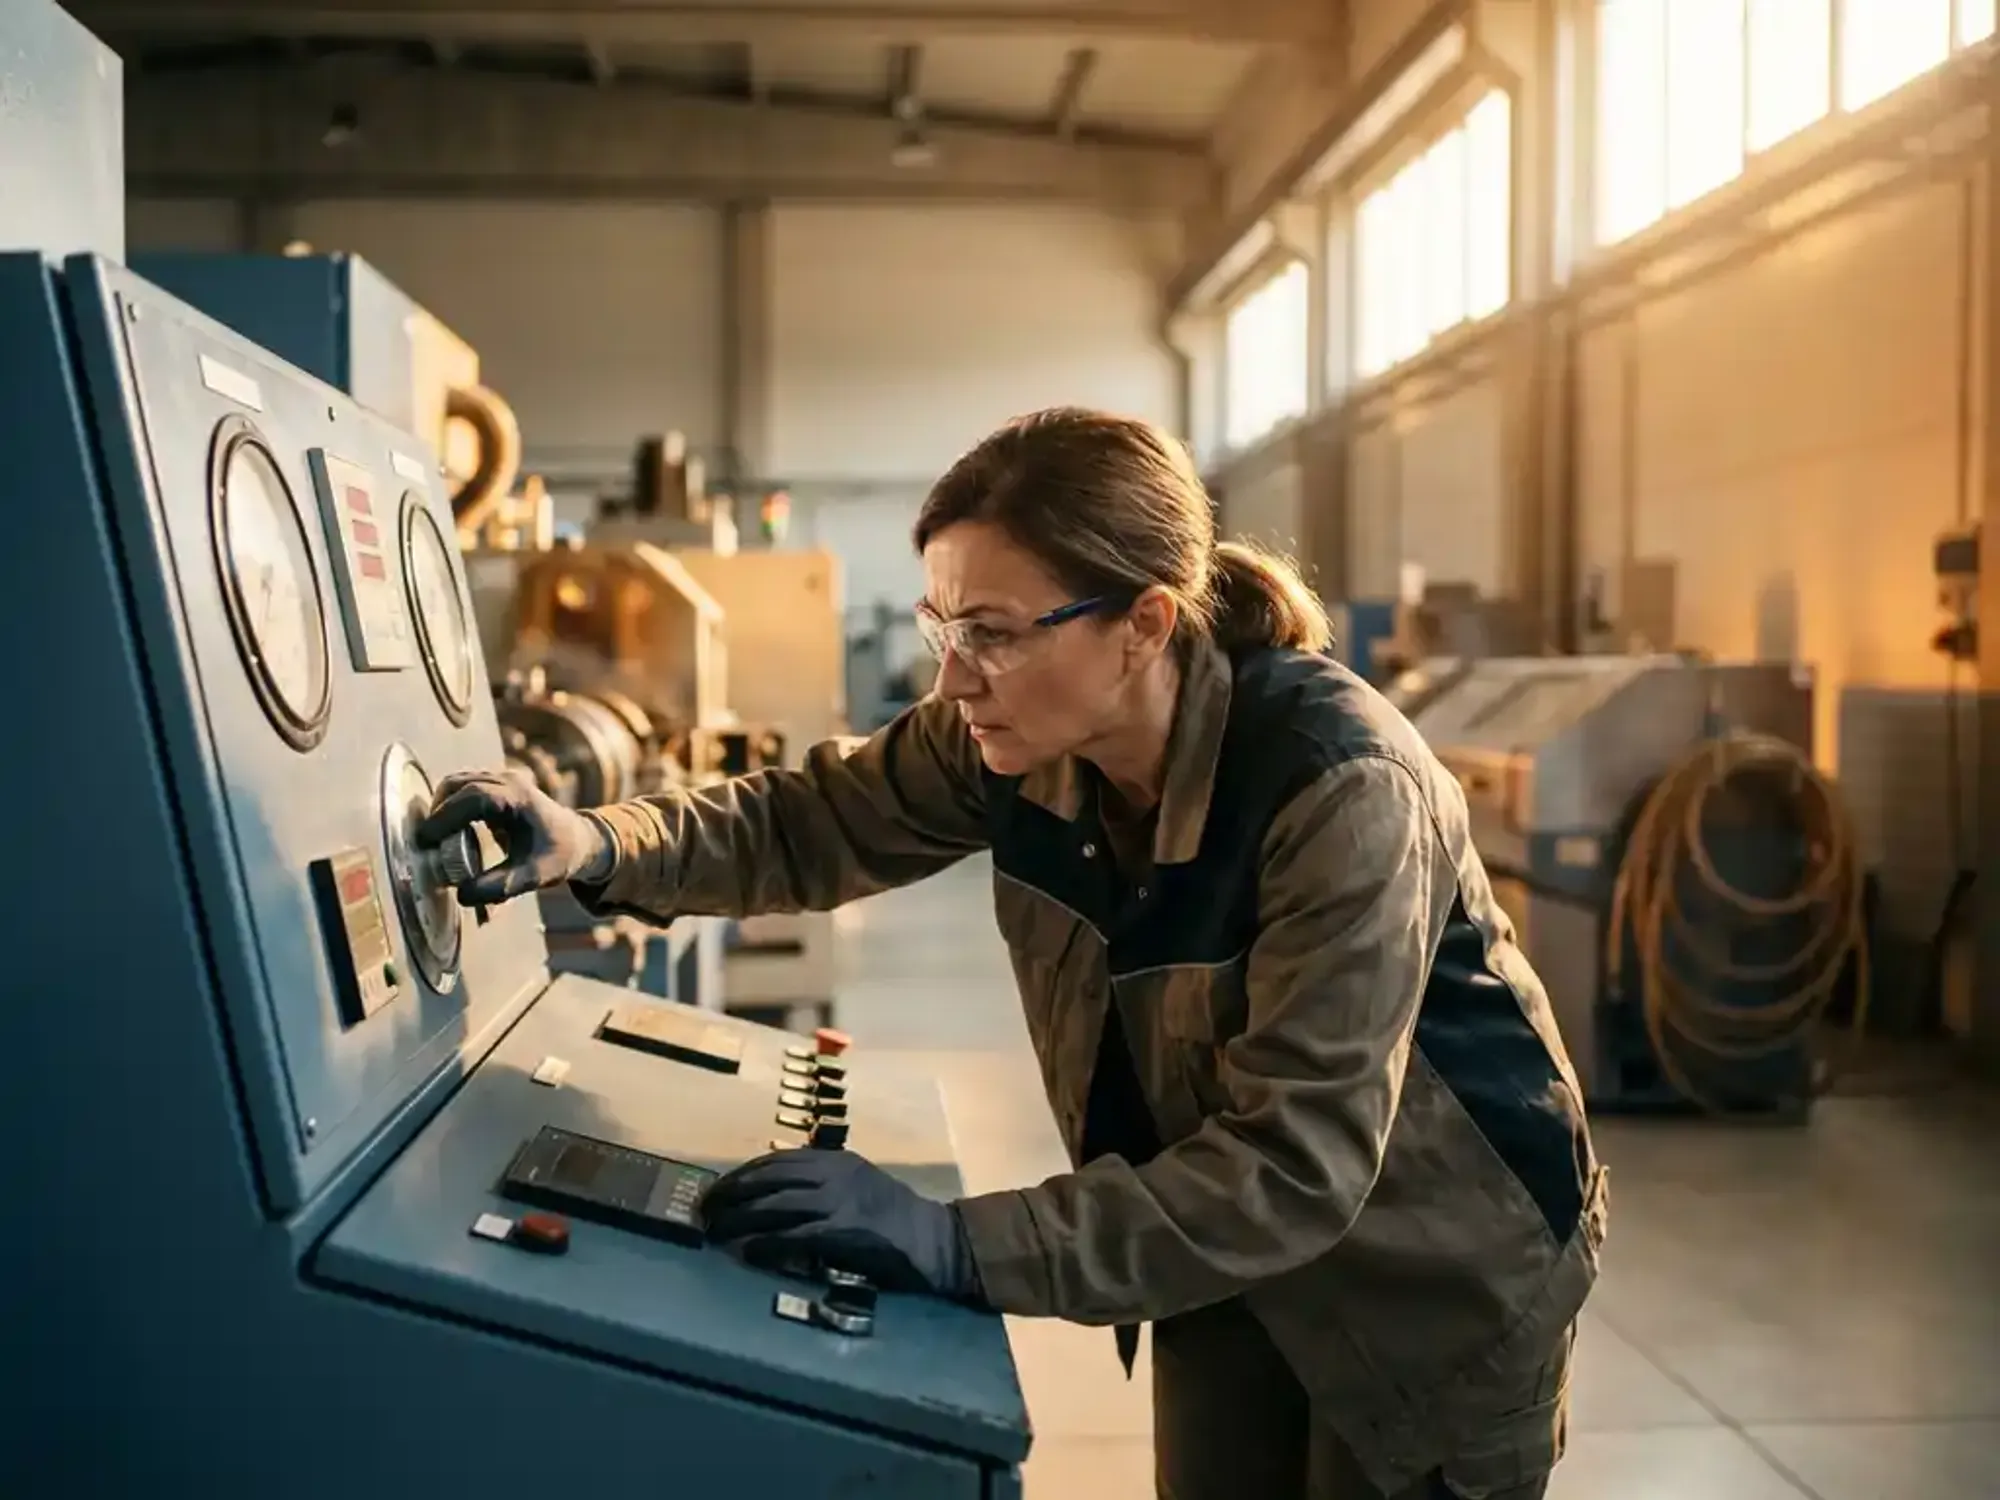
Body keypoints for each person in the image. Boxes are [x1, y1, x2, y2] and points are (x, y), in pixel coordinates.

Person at [417, 408, 1607, 1500]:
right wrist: (595, 840)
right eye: (943, 628)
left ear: (1145, 625)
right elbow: (811, 822)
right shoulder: (1018, 736)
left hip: (1426, 1273)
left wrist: (956, 1242)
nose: (950, 677)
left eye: (990, 634)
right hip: (1212, 1240)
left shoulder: (1337, 787)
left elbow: (1296, 1166)